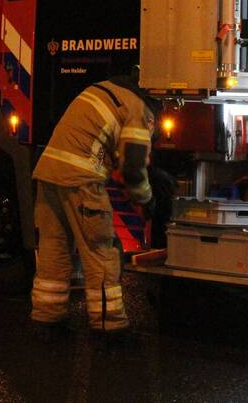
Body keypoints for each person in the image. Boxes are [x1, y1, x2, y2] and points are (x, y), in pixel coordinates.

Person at [30, 73, 158, 340]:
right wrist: (146, 200)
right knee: (101, 251)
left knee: (54, 249)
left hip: (47, 175)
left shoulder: (104, 89)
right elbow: (134, 168)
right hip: (82, 182)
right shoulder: (138, 109)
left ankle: (47, 321)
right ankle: (109, 326)